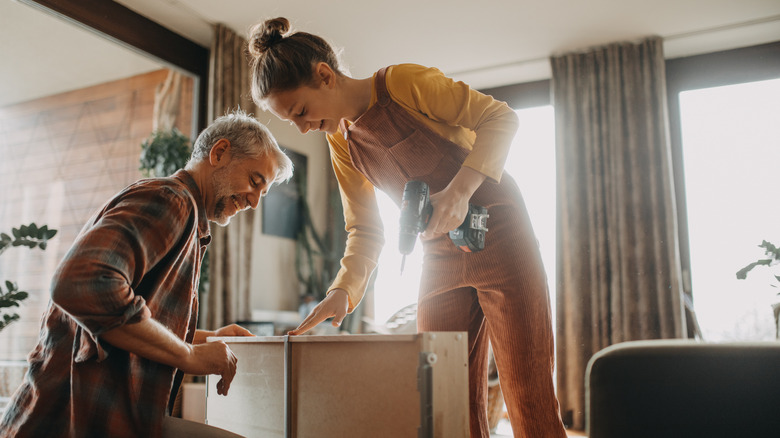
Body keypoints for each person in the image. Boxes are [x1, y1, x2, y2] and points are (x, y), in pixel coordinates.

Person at [245, 17, 567, 438]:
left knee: (528, 397)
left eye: (301, 111)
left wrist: (458, 192)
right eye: (292, 122)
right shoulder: (340, 142)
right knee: (443, 400)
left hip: (501, 230)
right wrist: (342, 292)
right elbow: (364, 226)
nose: (303, 127)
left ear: (324, 76)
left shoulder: (402, 83)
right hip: (438, 252)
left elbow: (500, 119)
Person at [0, 111, 294, 438]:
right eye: (254, 181)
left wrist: (208, 338)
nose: (254, 202)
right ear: (219, 153)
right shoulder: (173, 200)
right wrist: (189, 354)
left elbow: (132, 324)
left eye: (262, 193)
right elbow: (79, 283)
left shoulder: (187, 215)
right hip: (67, 417)